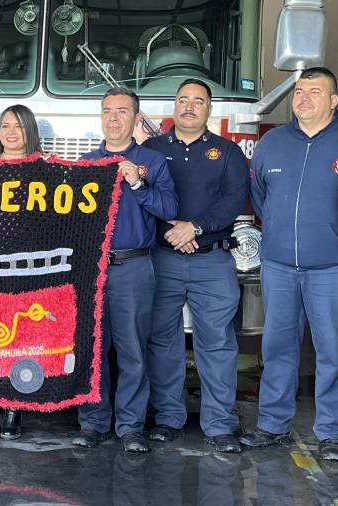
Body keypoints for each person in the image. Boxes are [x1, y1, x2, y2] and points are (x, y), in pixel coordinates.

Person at [143, 79, 249, 453]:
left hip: (213, 260)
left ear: (209, 109)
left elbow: (234, 199)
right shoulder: (152, 149)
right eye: (183, 100)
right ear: (174, 106)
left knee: (218, 343)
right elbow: (141, 200)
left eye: (198, 101)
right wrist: (172, 231)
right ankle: (168, 418)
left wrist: (195, 227)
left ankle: (219, 425)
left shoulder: (228, 152)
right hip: (162, 258)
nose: (190, 106)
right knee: (162, 341)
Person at [241, 67, 338, 460]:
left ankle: (330, 433)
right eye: (299, 92)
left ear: (333, 101)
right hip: (279, 265)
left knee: (332, 351)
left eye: (315, 92)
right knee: (277, 347)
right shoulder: (273, 143)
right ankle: (273, 425)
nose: (304, 98)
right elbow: (259, 195)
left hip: (330, 267)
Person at [73, 88, 178, 452]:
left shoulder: (153, 161)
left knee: (133, 349)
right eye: (107, 111)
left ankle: (131, 426)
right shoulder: (87, 163)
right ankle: (94, 422)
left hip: (134, 266)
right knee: (92, 348)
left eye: (122, 111)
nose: (113, 118)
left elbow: (168, 208)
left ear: (136, 118)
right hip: (91, 269)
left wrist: (137, 182)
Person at [0, 104, 45, 440]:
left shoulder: (44, 171)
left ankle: (14, 407)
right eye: (5, 125)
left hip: (26, 269)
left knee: (19, 339)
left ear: (29, 131)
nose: (11, 132)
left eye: (18, 126)